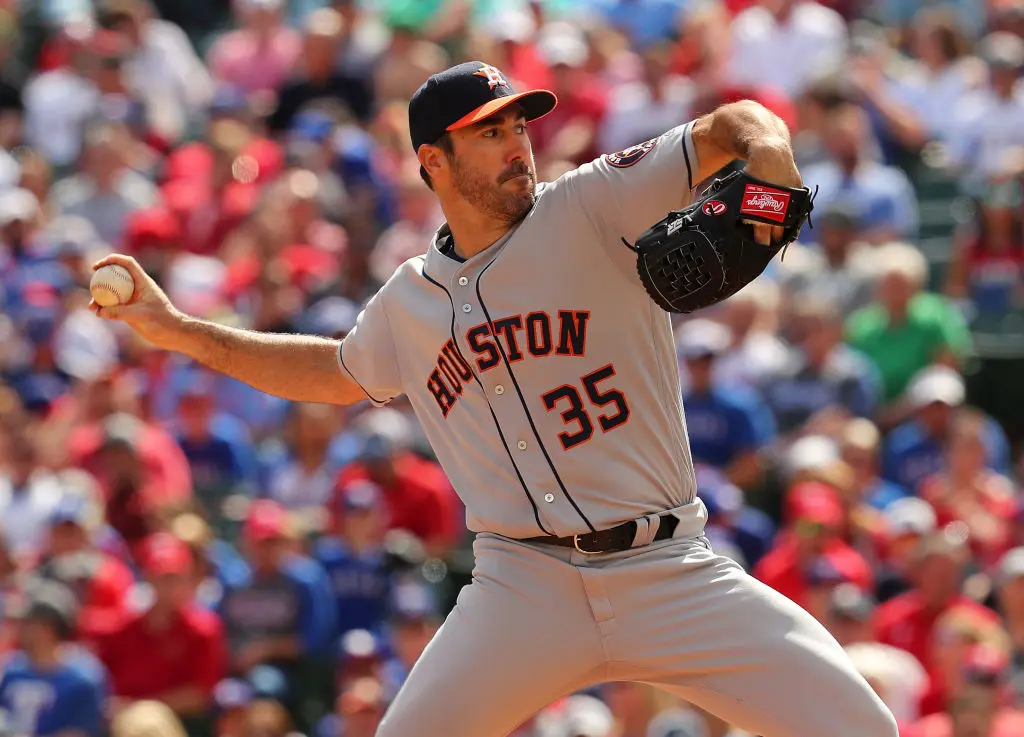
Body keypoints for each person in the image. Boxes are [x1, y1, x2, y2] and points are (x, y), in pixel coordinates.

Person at [89, 61, 897, 737]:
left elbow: (737, 122)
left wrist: (770, 155)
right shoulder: (410, 299)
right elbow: (334, 371)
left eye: (519, 128)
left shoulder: (590, 203)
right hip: (522, 586)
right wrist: (186, 333)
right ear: (433, 161)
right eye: (490, 132)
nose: (518, 147)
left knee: (863, 729)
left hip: (667, 567)